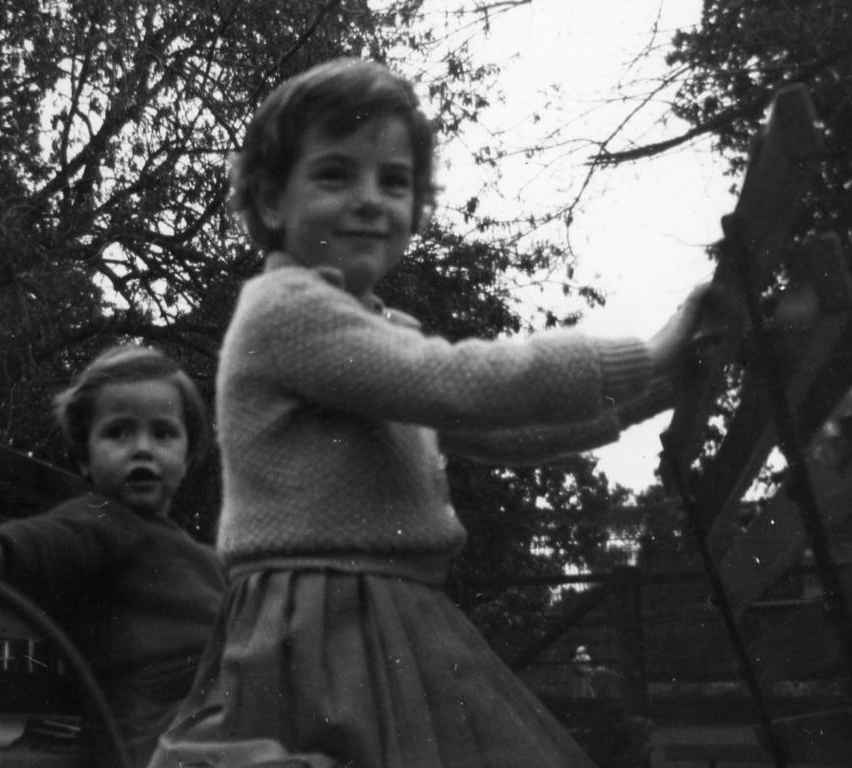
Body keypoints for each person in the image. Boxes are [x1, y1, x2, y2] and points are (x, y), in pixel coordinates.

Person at [149, 58, 711, 768]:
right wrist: (648, 355)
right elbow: (456, 382)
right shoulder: (288, 312)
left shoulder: (376, 329)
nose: (368, 199)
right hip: (322, 616)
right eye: (333, 175)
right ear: (268, 202)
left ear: (415, 210)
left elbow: (493, 431)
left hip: (380, 609)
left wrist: (647, 396)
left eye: (393, 181)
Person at [0, 344, 225, 767]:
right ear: (84, 458)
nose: (142, 449)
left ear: (186, 457)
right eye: (118, 433)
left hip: (212, 712)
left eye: (163, 433)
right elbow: (55, 537)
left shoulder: (198, 554)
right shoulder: (102, 521)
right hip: (153, 732)